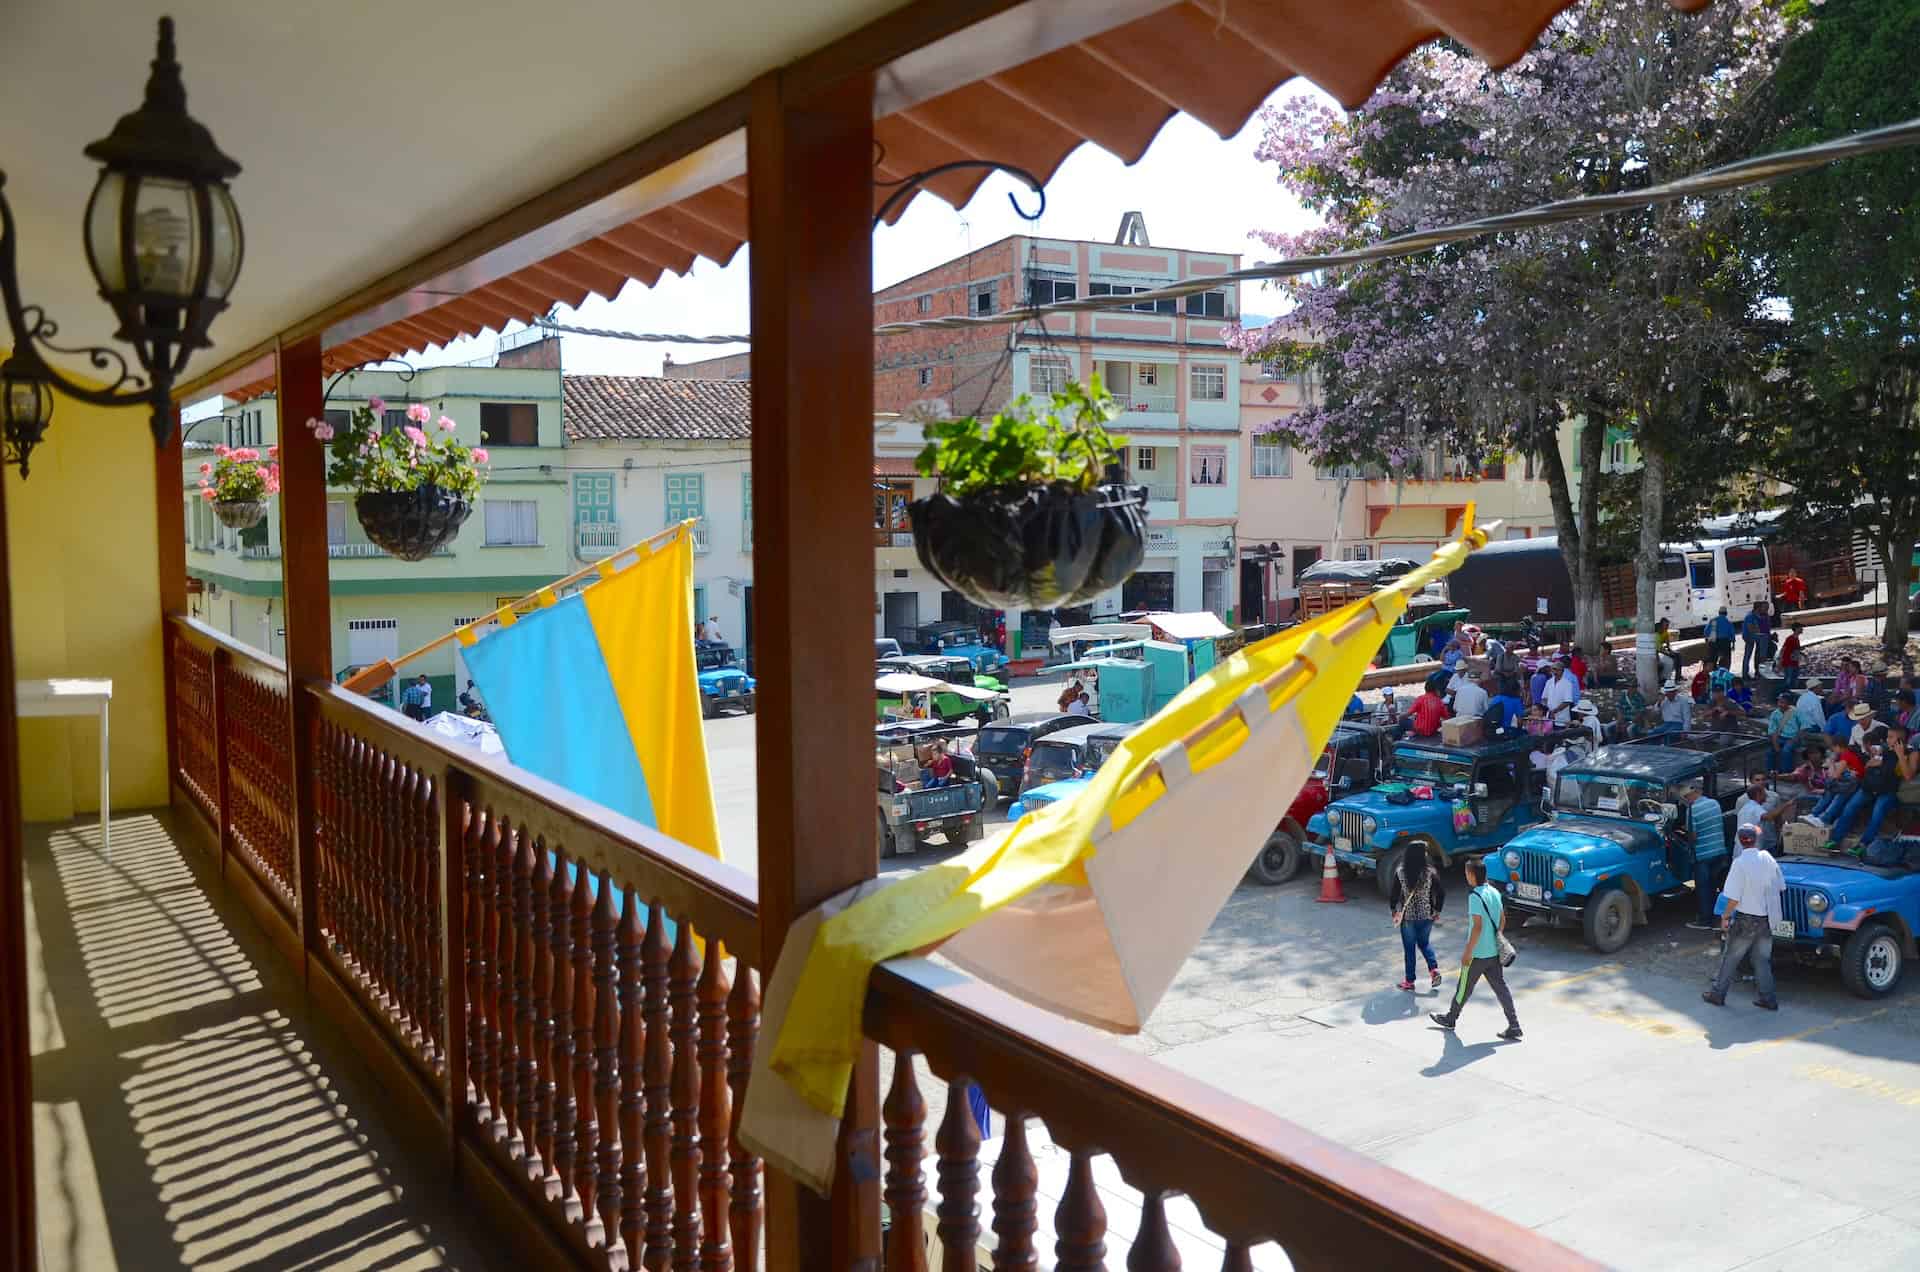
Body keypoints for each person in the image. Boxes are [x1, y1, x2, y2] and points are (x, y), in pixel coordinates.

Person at [1428, 858, 1522, 1041]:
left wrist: (1468, 952)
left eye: (1466, 873)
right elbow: (1502, 919)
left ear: (1471, 875)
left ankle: (1451, 1018)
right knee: (1501, 988)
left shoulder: (1475, 897)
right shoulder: (1494, 892)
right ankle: (1514, 1024)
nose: (1466, 876)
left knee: (1463, 987)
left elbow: (1477, 927)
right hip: (1494, 952)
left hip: (1478, 954)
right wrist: (1496, 937)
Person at [1703, 823, 1784, 1010]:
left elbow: (1732, 897)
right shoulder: (1768, 858)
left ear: (1740, 841)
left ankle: (1717, 993)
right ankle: (1768, 998)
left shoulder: (1739, 863)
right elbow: (1781, 886)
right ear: (1756, 840)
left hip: (1746, 919)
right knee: (1761, 960)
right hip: (1766, 919)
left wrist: (1725, 917)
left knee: (1730, 958)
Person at [1831, 726, 1903, 858]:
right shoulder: (1883, 749)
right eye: (1888, 736)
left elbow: (1895, 771)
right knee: (1850, 807)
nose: (1888, 739)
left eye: (1891, 737)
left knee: (1877, 812)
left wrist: (1884, 761)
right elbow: (1869, 764)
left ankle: (1863, 844)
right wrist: (1876, 760)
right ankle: (1835, 840)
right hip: (1870, 787)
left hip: (1887, 790)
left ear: (1901, 739)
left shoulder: (1904, 754)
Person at [1388, 842, 1447, 992]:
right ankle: (1434, 970)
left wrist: (1394, 910)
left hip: (1408, 918)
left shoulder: (1400, 872)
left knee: (1409, 949)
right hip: (1426, 916)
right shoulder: (1430, 872)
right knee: (1425, 944)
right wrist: (1437, 910)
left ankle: (1409, 981)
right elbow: (1441, 893)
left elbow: (1394, 894)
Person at [1683, 780, 1727, 931]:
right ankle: (1717, 917)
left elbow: (1693, 836)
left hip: (1703, 855)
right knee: (1715, 886)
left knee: (1703, 888)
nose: (1686, 800)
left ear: (1691, 795)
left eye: (1686, 797)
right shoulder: (1714, 803)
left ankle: (1705, 920)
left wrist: (1686, 834)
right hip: (1719, 851)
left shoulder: (1692, 810)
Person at [1735, 779, 1787, 857]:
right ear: (1758, 795)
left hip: (1744, 850)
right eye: (1764, 793)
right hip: (1749, 852)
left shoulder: (1748, 807)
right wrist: (1786, 805)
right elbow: (1769, 817)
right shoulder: (1755, 808)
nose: (1766, 795)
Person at [1766, 692, 1805, 774]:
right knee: (1770, 752)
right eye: (1779, 702)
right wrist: (1776, 744)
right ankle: (1770, 772)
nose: (1780, 704)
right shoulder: (1775, 714)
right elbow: (1772, 732)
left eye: (1782, 702)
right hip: (1780, 737)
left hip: (1793, 737)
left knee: (1786, 751)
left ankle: (1786, 773)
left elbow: (1803, 727)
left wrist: (1795, 739)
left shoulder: (1796, 712)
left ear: (1788, 703)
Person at [1739, 601, 1772, 680]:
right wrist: (1760, 633)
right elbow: (1751, 629)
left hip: (1755, 636)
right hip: (1749, 636)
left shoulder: (1760, 616)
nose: (1766, 609)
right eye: (1764, 608)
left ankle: (1758, 668)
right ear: (1758, 608)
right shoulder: (1750, 616)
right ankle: (1746, 673)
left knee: (1755, 651)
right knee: (1748, 654)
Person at [1544, 656, 1579, 725]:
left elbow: (1567, 701)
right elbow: (1544, 698)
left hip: (1562, 718)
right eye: (1554, 669)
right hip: (1550, 717)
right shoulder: (1549, 682)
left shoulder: (1567, 683)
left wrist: (1554, 711)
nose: (1555, 672)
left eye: (1558, 670)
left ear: (1562, 671)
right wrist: (1549, 709)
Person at [1778, 622, 1805, 692]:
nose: (1802, 629)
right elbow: (1783, 649)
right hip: (1788, 662)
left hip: (1794, 662)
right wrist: (1780, 661)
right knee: (1788, 680)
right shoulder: (1790, 638)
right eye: (1800, 628)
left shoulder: (1796, 639)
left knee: (1793, 680)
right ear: (1796, 629)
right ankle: (1783, 694)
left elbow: (1795, 650)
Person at [1654, 617, 1678, 682]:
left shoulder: (1665, 632)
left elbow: (1667, 644)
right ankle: (1660, 679)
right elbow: (1658, 649)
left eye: (1668, 625)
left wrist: (1670, 651)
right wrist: (1668, 654)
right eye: (1666, 625)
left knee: (1677, 656)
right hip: (1653, 652)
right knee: (1659, 665)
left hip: (1658, 651)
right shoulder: (1656, 635)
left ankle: (1678, 676)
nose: (1667, 627)